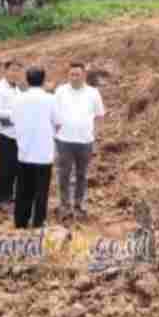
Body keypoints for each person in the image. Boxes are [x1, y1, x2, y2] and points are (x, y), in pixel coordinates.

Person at [54, 62, 105, 220]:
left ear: (84, 75)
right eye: (71, 74)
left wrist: (93, 133)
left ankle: (79, 204)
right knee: (64, 174)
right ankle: (64, 205)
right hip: (64, 140)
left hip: (85, 141)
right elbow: (53, 113)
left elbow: (99, 115)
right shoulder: (60, 91)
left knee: (82, 174)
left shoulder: (93, 93)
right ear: (68, 75)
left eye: (77, 74)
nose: (74, 77)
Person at [12, 66, 60, 229]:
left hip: (24, 150)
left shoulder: (18, 99)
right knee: (41, 191)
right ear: (43, 80)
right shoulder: (50, 99)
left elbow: (13, 120)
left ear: (27, 79)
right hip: (43, 152)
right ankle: (39, 222)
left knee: (23, 189)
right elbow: (58, 123)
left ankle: (20, 222)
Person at [0, 60, 22, 212]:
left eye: (18, 70)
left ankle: (9, 197)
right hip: (4, 134)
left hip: (16, 135)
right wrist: (16, 118)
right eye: (12, 70)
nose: (15, 73)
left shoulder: (17, 89)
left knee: (14, 168)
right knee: (4, 167)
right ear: (5, 71)